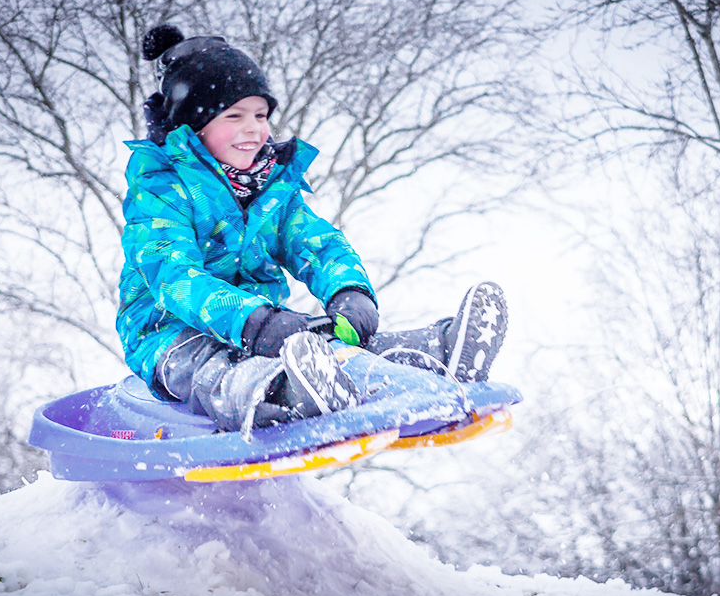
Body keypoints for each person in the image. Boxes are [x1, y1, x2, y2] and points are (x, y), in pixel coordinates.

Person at [116, 25, 508, 433]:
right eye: (234, 115)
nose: (254, 128)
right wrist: (254, 321)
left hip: (262, 329)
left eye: (261, 115)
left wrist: (349, 293)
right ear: (193, 128)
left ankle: (437, 353)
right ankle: (285, 393)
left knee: (332, 345)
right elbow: (173, 276)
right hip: (169, 334)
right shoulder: (161, 188)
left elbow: (317, 244)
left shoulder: (270, 188)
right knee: (214, 368)